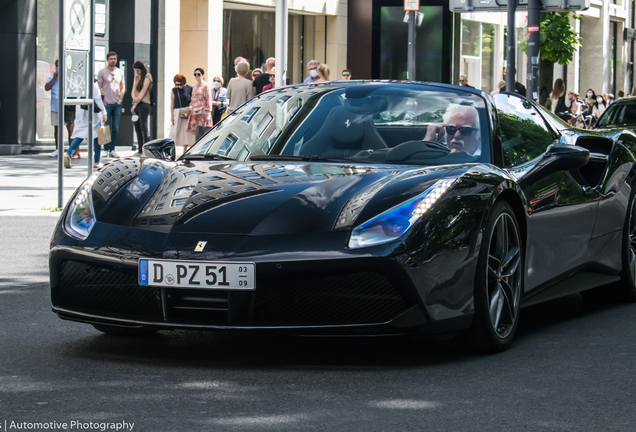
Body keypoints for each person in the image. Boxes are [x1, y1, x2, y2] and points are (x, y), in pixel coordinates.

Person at [64, 82, 107, 169]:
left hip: (80, 110)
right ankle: (97, 161)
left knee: (80, 134)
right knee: (99, 135)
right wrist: (104, 112)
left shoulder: (80, 83)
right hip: (93, 112)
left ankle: (69, 153)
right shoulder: (93, 85)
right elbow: (98, 99)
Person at [45, 60, 77, 159]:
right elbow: (46, 88)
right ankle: (58, 149)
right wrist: (54, 78)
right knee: (57, 128)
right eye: (57, 66)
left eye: (61, 66)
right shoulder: (53, 77)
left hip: (68, 105)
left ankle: (72, 151)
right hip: (56, 106)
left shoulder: (70, 76)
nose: (59, 68)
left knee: (71, 128)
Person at [97, 51, 125, 158]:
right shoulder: (102, 72)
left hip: (116, 103)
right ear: (107, 60)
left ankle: (112, 149)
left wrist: (120, 99)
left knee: (115, 127)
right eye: (111, 59)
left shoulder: (120, 72)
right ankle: (105, 149)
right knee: (105, 126)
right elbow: (99, 88)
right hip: (106, 103)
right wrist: (102, 99)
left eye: (114, 59)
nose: (113, 60)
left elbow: (123, 87)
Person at [130, 61, 153, 150]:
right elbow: (133, 89)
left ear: (142, 69)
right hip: (136, 104)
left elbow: (143, 90)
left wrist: (136, 101)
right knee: (137, 128)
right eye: (135, 71)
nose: (137, 73)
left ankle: (146, 149)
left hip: (144, 104)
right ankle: (140, 148)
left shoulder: (147, 76)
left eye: (138, 71)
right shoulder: (136, 77)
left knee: (144, 127)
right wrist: (134, 98)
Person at [169, 74, 194, 153]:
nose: (179, 86)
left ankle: (185, 150)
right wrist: (172, 116)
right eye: (177, 84)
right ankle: (173, 150)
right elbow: (172, 104)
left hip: (187, 111)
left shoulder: (190, 88)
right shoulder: (174, 90)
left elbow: (192, 100)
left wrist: (191, 107)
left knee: (186, 132)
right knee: (174, 131)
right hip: (177, 111)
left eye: (180, 84)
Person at [186, 67, 213, 136]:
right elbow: (193, 98)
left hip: (203, 111)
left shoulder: (206, 86)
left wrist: (208, 113)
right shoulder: (194, 87)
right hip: (195, 111)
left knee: (204, 131)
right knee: (195, 131)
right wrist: (190, 105)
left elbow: (208, 99)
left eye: (198, 74)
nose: (197, 76)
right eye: (195, 74)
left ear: (203, 75)